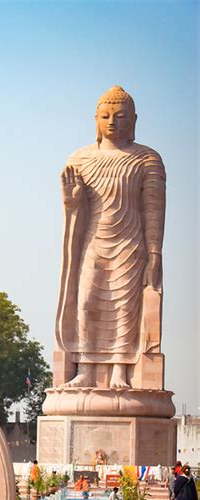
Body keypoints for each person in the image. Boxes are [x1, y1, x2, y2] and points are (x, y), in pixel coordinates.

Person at [56, 86, 165, 390]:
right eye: (105, 116)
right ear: (96, 120)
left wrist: (154, 252)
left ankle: (120, 370)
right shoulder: (80, 159)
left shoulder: (147, 160)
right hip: (94, 242)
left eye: (120, 116)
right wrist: (72, 202)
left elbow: (154, 210)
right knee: (87, 302)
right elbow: (75, 210)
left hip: (130, 244)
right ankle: (87, 370)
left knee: (124, 309)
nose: (112, 122)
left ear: (133, 120)